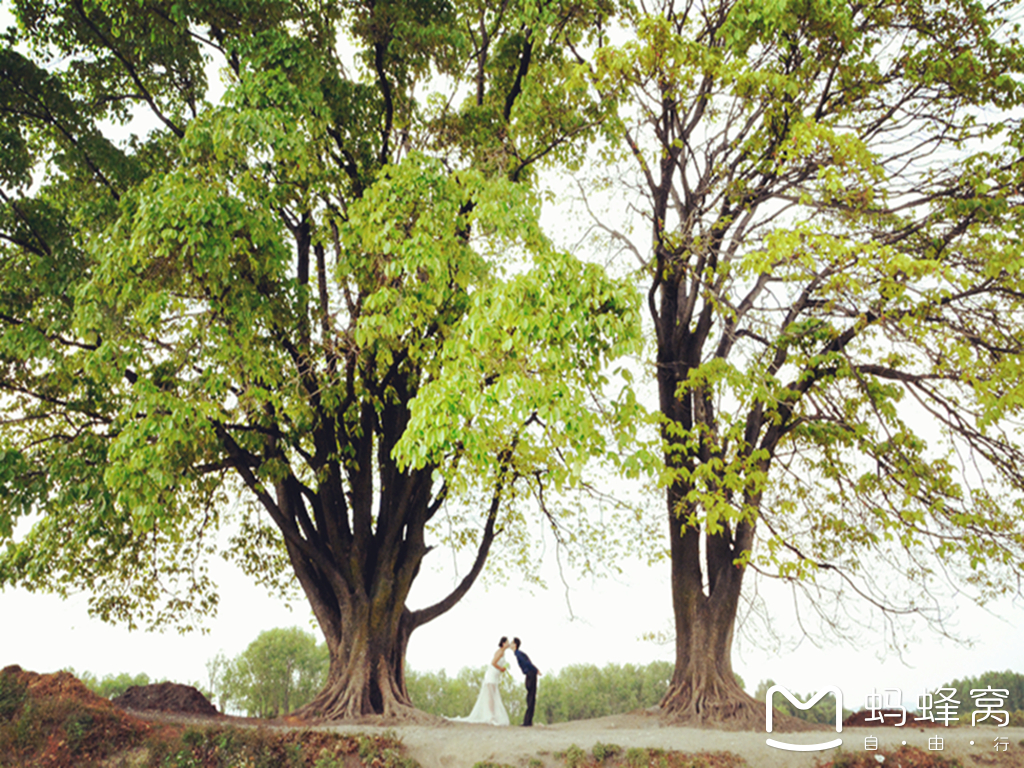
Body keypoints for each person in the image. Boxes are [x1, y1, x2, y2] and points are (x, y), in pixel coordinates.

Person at [448, 636, 511, 725]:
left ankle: (492, 715)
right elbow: (493, 663)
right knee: (491, 696)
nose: (508, 644)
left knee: (493, 695)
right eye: (507, 642)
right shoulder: (500, 651)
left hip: (495, 676)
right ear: (503, 643)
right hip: (492, 676)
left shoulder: (502, 652)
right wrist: (501, 669)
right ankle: (491, 716)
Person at [512, 637, 541, 726]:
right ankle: (528, 721)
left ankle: (527, 721)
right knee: (530, 696)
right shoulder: (518, 653)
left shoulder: (519, 654)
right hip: (529, 674)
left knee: (531, 697)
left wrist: (536, 670)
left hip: (531, 674)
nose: (510, 644)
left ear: (515, 645)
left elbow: (528, 663)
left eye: (512, 643)